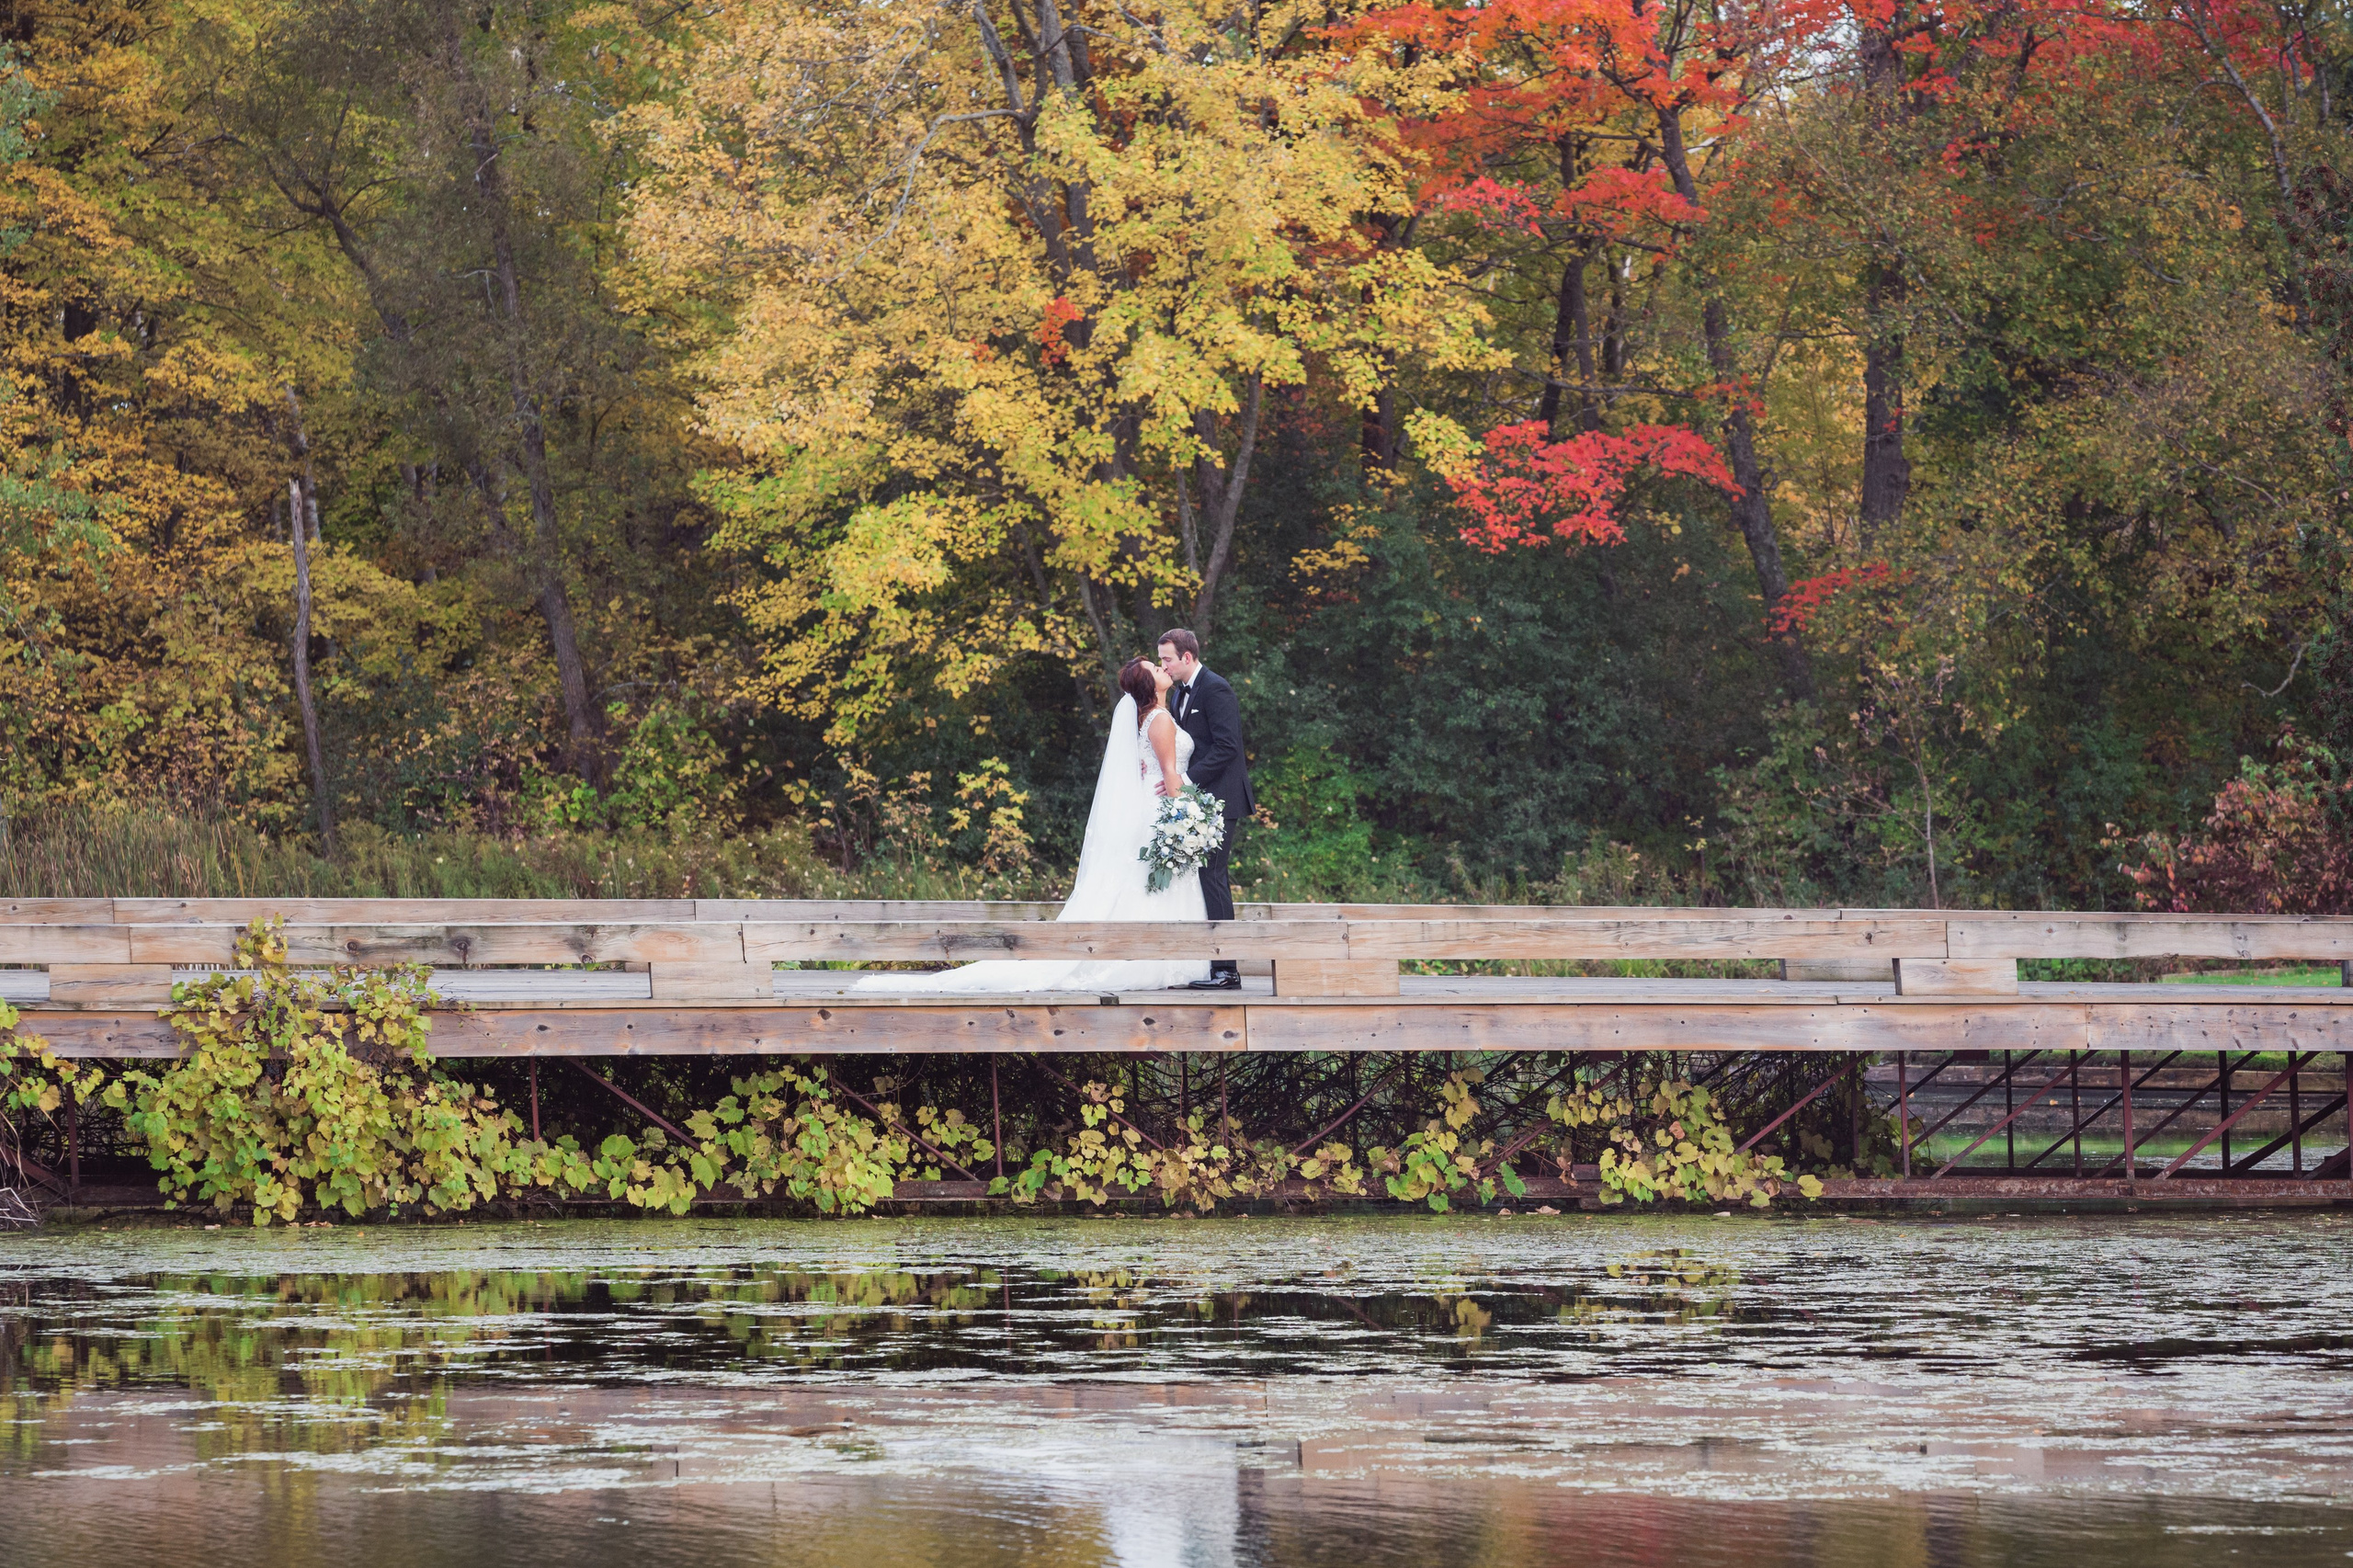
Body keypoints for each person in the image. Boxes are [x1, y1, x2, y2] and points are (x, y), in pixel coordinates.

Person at [851, 656, 1210, 994]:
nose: (1164, 669)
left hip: (1151, 807)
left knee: (1146, 883)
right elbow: (1170, 775)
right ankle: (1160, 960)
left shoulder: (1153, 716)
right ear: (1150, 685)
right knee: (1154, 884)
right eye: (1156, 668)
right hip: (1162, 809)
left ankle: (1158, 956)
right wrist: (1192, 819)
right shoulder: (1159, 719)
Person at [1158, 628, 1254, 990]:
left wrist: (1187, 780)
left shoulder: (1216, 688)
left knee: (1213, 875)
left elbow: (1228, 747)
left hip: (1222, 796)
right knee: (1201, 877)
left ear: (1187, 657)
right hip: (1198, 799)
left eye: (1167, 658)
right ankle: (1209, 963)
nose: (1163, 665)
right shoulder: (1182, 692)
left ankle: (1227, 970)